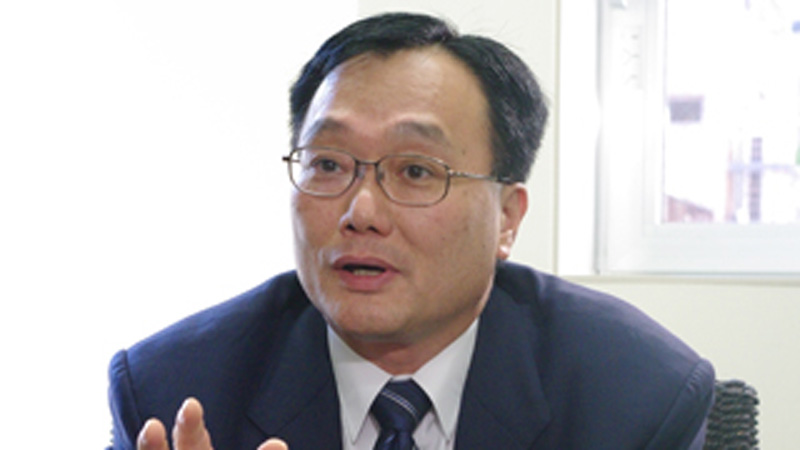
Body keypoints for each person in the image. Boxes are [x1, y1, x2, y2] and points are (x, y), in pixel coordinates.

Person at [107, 12, 715, 450]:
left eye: (417, 171)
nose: (361, 210)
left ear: (507, 218)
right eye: (328, 164)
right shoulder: (175, 391)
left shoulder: (633, 399)